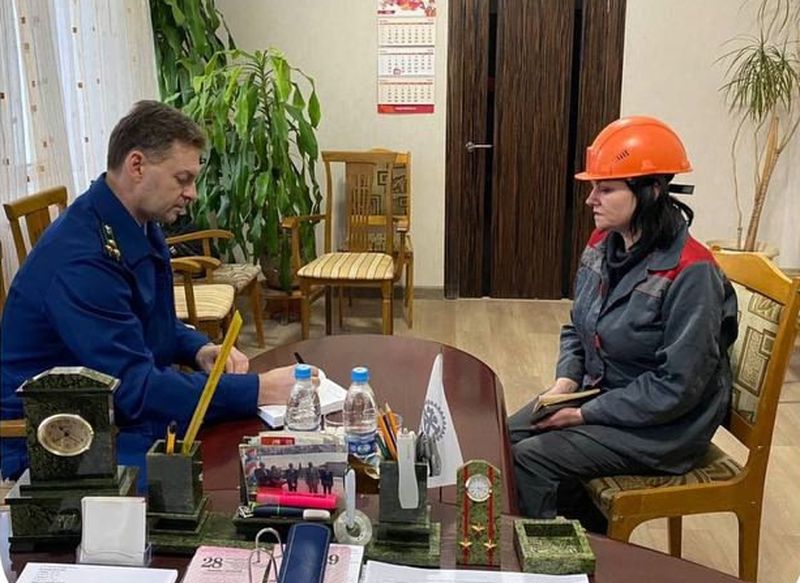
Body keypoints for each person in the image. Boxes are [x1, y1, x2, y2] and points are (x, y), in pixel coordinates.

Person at [0, 100, 311, 487]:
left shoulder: (134, 223)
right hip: (58, 438)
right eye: (182, 179)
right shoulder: (82, 260)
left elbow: (149, 318)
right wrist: (259, 389)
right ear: (137, 165)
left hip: (111, 408)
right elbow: (135, 388)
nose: (192, 193)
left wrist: (197, 348)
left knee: (251, 450)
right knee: (218, 481)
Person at [508, 116, 738, 529]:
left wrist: (586, 414)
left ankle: (556, 554)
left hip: (665, 427)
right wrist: (566, 382)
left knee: (532, 457)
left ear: (651, 191)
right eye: (593, 187)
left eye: (606, 189)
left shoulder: (692, 272)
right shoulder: (603, 244)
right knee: (505, 435)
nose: (590, 200)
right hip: (606, 393)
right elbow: (578, 327)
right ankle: (589, 530)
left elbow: (678, 387)